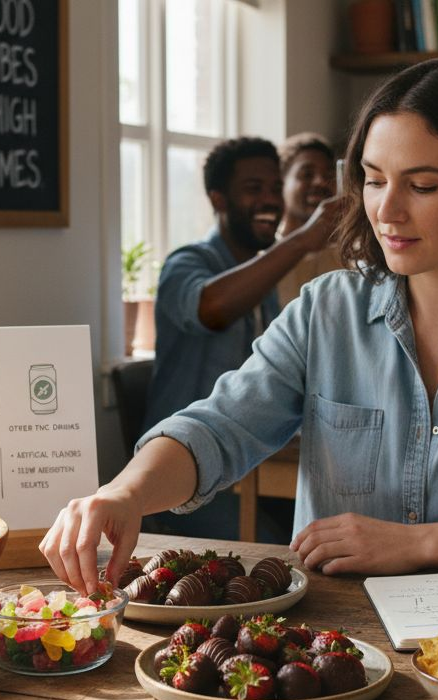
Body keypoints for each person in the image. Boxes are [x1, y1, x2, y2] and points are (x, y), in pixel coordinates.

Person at [40, 58, 438, 594]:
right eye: (374, 179)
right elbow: (220, 427)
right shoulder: (325, 309)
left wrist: (419, 545)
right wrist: (125, 493)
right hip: (335, 647)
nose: (387, 210)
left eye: (423, 185)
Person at [140, 136, 341, 539]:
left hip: (248, 466)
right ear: (219, 200)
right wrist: (301, 239)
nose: (269, 200)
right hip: (186, 475)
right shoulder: (187, 261)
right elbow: (210, 309)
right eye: (253, 190)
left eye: (273, 189)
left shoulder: (264, 280)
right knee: (280, 553)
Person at [275, 132, 346, 306]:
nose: (321, 182)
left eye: (328, 175)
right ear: (282, 182)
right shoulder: (266, 259)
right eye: (307, 174)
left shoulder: (350, 256)